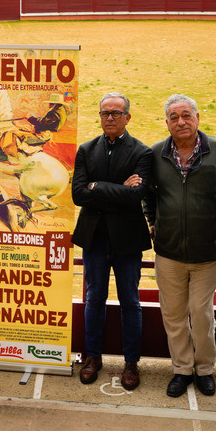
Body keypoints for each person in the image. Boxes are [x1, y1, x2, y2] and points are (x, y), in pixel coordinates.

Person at [143, 94, 216, 398]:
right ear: (167, 122)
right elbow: (148, 193)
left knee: (201, 311)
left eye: (186, 115)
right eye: (173, 117)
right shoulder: (156, 154)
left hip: (208, 252)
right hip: (168, 252)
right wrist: (151, 219)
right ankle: (182, 369)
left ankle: (205, 369)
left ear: (197, 117)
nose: (180, 122)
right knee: (173, 314)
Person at [71, 92, 153, 388]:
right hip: (95, 239)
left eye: (116, 113)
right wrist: (116, 189)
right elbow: (78, 194)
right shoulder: (86, 149)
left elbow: (137, 195)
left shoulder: (142, 152)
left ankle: (131, 363)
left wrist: (97, 188)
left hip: (127, 241)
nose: (109, 118)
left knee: (130, 301)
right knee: (94, 299)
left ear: (127, 117)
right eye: (105, 113)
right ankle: (93, 357)